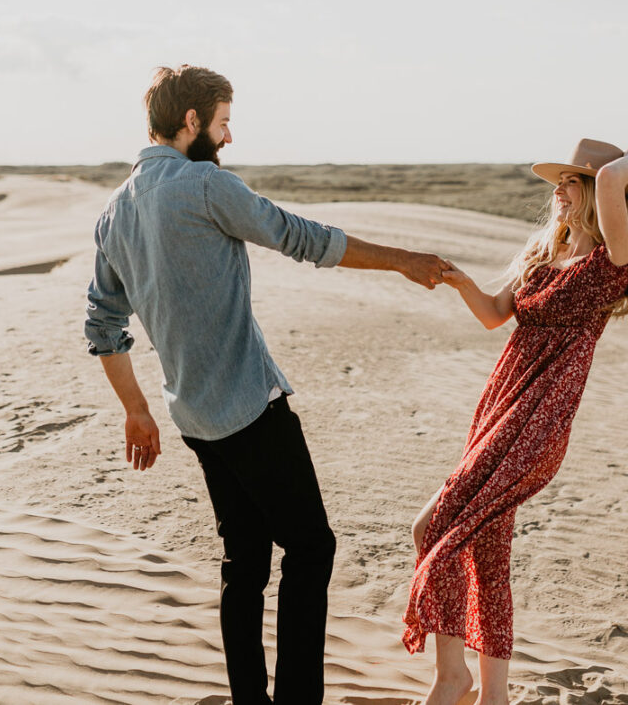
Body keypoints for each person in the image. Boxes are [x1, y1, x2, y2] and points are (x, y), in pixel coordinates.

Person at [85, 64, 450, 705]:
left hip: (193, 418)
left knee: (245, 565)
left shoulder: (114, 212)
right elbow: (299, 237)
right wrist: (402, 261)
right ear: (191, 121)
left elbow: (102, 323)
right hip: (250, 409)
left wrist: (136, 410)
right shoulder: (205, 184)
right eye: (223, 123)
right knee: (311, 548)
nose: (229, 137)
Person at [401, 139, 628, 705]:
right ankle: (494, 695)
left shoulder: (614, 260)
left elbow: (611, 179)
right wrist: (462, 282)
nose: (557, 189)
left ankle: (452, 677)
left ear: (595, 191)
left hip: (541, 417)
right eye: (558, 181)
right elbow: (496, 314)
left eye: (569, 180)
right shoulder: (544, 251)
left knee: (434, 527)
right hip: (501, 405)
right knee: (486, 551)